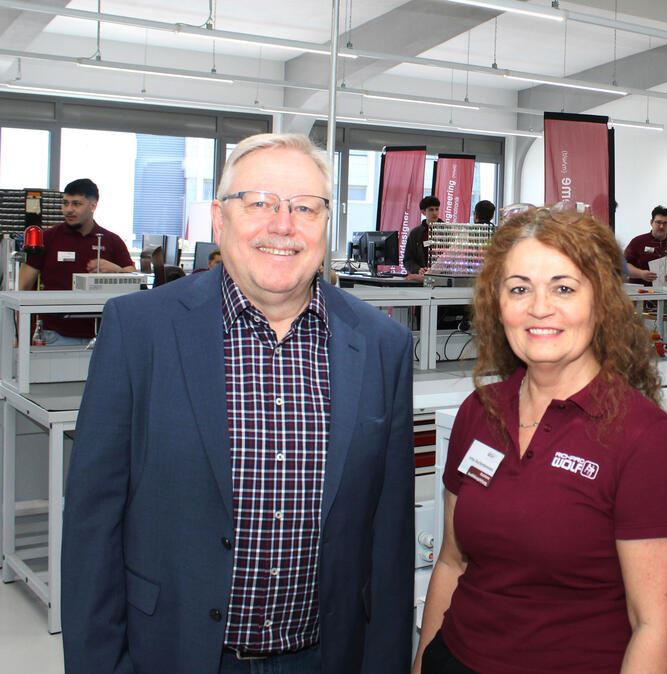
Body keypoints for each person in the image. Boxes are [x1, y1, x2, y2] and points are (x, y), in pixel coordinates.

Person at [61, 133, 414, 674]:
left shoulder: (381, 345)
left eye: (304, 207)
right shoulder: (140, 330)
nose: (282, 224)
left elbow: (389, 537)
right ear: (219, 220)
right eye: (259, 203)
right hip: (174, 651)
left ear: (326, 224)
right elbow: (93, 522)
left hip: (323, 657)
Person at [413, 202, 667, 673]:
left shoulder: (641, 436)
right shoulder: (478, 412)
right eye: (519, 288)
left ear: (601, 300)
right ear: (496, 302)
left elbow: (657, 627)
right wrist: (422, 663)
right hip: (455, 658)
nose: (539, 308)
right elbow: (452, 562)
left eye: (563, 288)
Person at [20, 178, 136, 345]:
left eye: (76, 204)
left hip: (102, 335)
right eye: (65, 203)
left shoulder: (112, 241)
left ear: (93, 206)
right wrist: (21, 335)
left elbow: (134, 281)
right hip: (56, 335)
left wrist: (115, 269)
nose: (68, 210)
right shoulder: (48, 238)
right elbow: (23, 285)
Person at [624, 205, 667, 284]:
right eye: (658, 222)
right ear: (651, 222)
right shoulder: (638, 241)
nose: (661, 226)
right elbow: (623, 265)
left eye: (665, 223)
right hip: (640, 293)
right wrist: (641, 274)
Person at [404, 195, 440, 280]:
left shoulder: (447, 231)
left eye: (437, 209)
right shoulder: (415, 233)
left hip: (442, 277)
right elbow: (408, 260)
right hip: (421, 278)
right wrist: (418, 269)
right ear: (423, 212)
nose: (435, 213)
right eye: (431, 210)